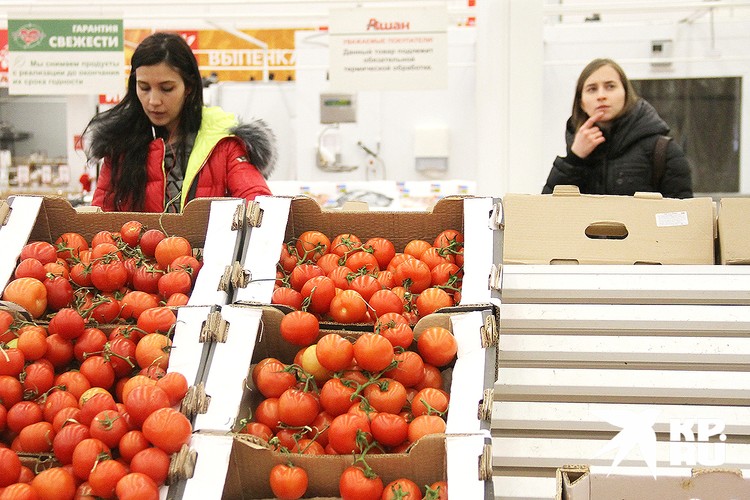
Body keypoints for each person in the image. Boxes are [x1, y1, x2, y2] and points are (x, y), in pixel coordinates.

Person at [85, 32, 275, 212]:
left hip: (206, 247)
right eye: (144, 87)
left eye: (166, 88)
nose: (153, 100)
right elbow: (101, 221)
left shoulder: (223, 142)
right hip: (134, 248)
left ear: (189, 87)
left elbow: (257, 201)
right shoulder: (119, 145)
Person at [542, 58, 693, 199]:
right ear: (581, 103)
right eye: (592, 89)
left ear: (626, 94)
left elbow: (682, 218)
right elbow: (547, 212)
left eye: (610, 86)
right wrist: (574, 159)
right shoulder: (576, 152)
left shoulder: (662, 150)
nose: (601, 96)